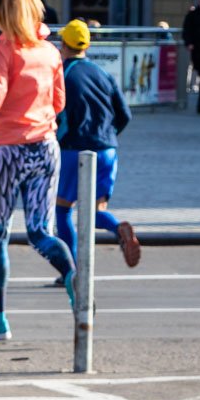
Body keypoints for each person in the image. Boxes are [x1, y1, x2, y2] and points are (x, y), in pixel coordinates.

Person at [0, 0, 75, 341]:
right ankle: (74, 278)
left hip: (7, 151)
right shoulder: (50, 52)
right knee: (41, 231)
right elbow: (59, 103)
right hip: (45, 146)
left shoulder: (2, 51)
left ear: (2, 14)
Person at [52, 19, 139, 269]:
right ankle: (117, 227)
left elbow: (55, 113)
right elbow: (125, 115)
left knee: (63, 209)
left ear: (63, 45)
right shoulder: (103, 74)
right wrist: (107, 136)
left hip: (73, 149)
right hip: (106, 149)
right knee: (96, 211)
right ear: (87, 46)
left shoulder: (62, 74)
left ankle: (73, 270)